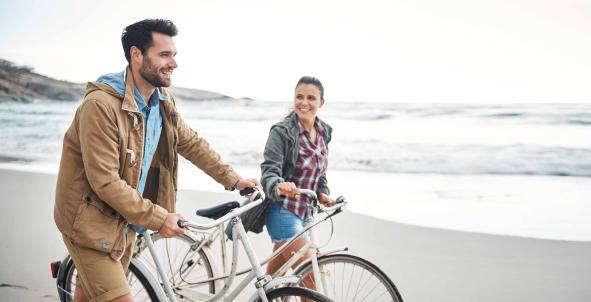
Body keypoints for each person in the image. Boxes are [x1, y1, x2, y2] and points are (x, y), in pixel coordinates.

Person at [54, 19, 259, 302]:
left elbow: (189, 142)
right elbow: (105, 181)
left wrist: (233, 179)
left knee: (88, 297)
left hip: (124, 221)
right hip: (88, 224)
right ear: (136, 55)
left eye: (174, 55)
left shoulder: (162, 100)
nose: (173, 63)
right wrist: (159, 217)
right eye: (164, 55)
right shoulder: (100, 107)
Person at [261, 76, 336, 284]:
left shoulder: (324, 132)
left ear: (321, 103)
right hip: (283, 210)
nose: (304, 102)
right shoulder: (281, 131)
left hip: (305, 214)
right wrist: (279, 185)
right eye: (299, 96)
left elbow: (319, 172)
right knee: (310, 276)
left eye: (311, 98)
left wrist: (323, 193)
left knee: (271, 280)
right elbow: (269, 171)